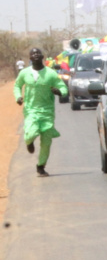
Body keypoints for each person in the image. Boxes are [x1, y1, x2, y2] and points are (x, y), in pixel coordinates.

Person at [13, 48, 68, 176]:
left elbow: (62, 86)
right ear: (30, 58)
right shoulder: (24, 73)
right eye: (33, 54)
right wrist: (18, 97)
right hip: (31, 110)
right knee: (31, 133)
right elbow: (17, 85)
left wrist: (60, 92)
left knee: (46, 142)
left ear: (43, 56)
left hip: (47, 112)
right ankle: (29, 142)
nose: (36, 55)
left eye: (38, 53)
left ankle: (41, 166)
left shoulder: (51, 73)